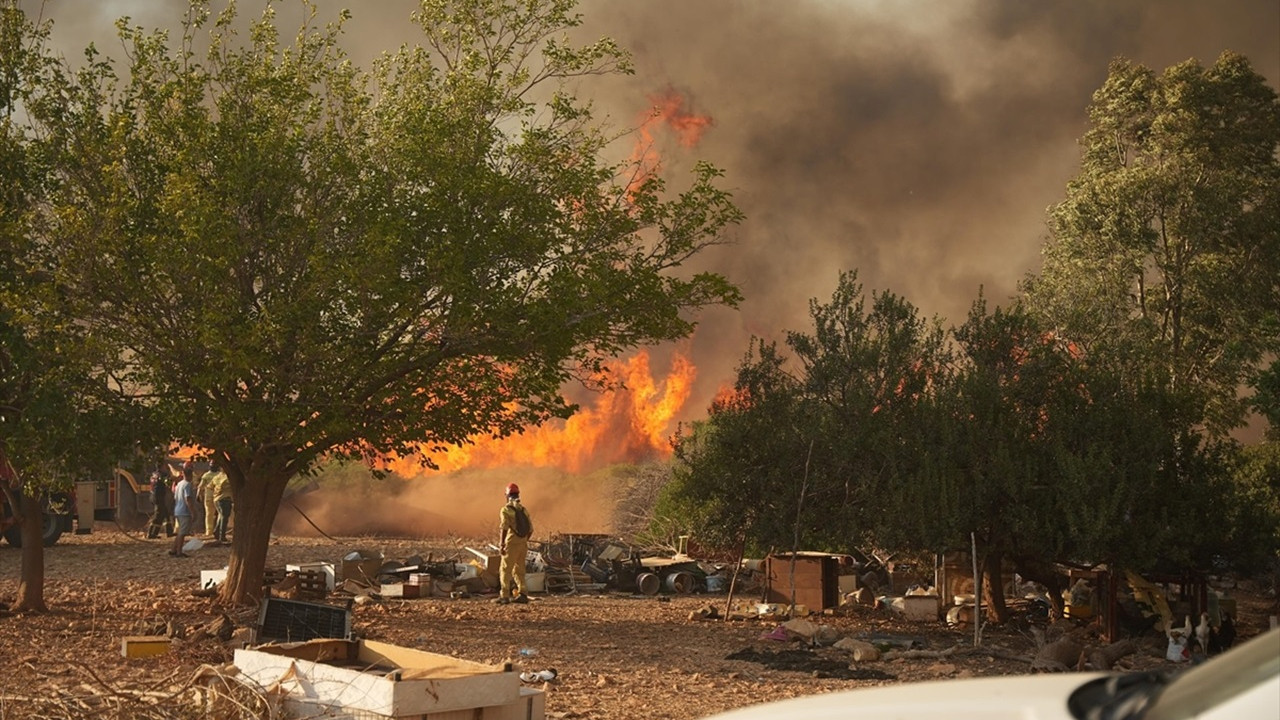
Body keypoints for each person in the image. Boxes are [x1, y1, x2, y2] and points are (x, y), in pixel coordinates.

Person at [495, 482, 533, 605]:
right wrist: (524, 541)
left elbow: (504, 527)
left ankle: (504, 596)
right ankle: (523, 594)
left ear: (506, 495)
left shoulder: (506, 510)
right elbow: (531, 529)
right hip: (523, 544)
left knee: (505, 569)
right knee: (519, 570)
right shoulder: (523, 510)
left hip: (511, 544)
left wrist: (502, 544)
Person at [169, 465, 197, 558]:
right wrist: (193, 511)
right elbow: (187, 498)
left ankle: (173, 549)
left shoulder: (179, 484)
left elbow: (175, 497)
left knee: (180, 531)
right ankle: (179, 552)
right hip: (184, 511)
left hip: (177, 510)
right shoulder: (187, 485)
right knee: (182, 533)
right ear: (191, 475)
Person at [146, 467, 173, 539]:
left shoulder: (154, 474)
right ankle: (150, 533)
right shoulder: (162, 475)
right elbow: (168, 482)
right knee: (158, 515)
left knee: (165, 513)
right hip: (158, 497)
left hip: (153, 495)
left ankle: (169, 532)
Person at [210, 461, 232, 544]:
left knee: (221, 515)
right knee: (224, 517)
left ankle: (217, 532)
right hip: (225, 499)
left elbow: (210, 486)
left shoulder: (217, 476)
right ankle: (221, 536)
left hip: (216, 499)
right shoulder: (228, 478)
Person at [197, 461, 219, 537]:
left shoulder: (206, 475)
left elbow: (200, 487)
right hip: (218, 497)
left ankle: (209, 532)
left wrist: (198, 496)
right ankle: (218, 530)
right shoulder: (220, 475)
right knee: (219, 514)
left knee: (209, 515)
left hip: (209, 497)